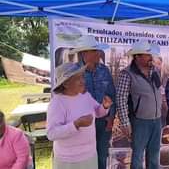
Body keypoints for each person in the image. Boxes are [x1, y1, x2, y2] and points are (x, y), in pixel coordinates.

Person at [47, 62, 112, 169]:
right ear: (66, 83)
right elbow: (52, 134)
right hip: (69, 161)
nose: (83, 81)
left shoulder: (85, 95)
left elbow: (97, 112)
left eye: (82, 77)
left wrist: (105, 106)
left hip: (90, 155)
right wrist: (76, 124)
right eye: (78, 78)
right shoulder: (57, 103)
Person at [70, 35, 116, 169]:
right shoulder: (73, 72)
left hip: (104, 122)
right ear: (84, 53)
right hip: (84, 122)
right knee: (84, 157)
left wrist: (111, 117)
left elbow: (111, 95)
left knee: (102, 156)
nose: (98, 53)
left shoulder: (104, 70)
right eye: (95, 51)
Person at [116, 40, 162, 169]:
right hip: (139, 122)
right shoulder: (127, 74)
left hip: (156, 120)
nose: (150, 57)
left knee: (154, 156)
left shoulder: (155, 71)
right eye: (147, 54)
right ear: (137, 56)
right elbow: (120, 99)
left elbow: (158, 91)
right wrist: (125, 123)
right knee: (137, 157)